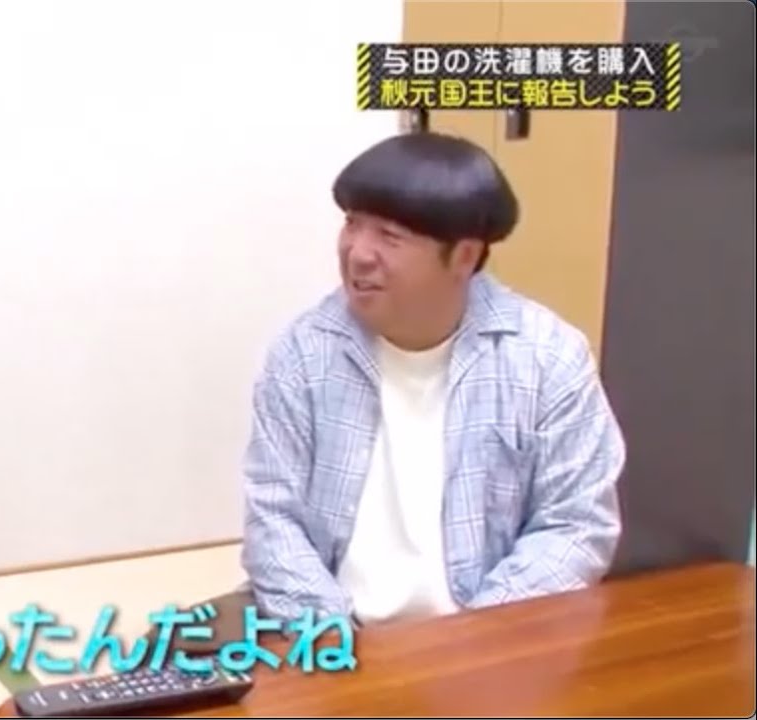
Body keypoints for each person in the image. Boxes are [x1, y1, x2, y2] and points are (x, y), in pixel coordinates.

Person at [240, 132, 626, 628]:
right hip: (331, 637)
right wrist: (335, 643)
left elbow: (575, 525)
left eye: (389, 236)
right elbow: (273, 520)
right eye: (352, 223)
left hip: (486, 640)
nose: (357, 253)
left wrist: (468, 642)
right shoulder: (303, 353)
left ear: (464, 257)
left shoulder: (548, 357)